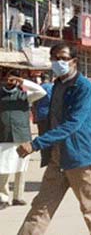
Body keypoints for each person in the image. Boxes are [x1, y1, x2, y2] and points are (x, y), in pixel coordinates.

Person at [15, 43, 91, 234]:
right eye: (55, 58)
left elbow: (72, 124)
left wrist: (35, 144)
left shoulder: (84, 88)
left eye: (64, 58)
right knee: (40, 208)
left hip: (79, 157)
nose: (59, 62)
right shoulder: (57, 85)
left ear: (74, 61)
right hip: (57, 158)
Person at [0, 70, 46, 209]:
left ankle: (18, 197)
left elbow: (41, 91)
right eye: (8, 78)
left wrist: (22, 81)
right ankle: (3, 197)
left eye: (13, 79)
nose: (10, 81)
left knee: (21, 168)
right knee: (4, 167)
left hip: (22, 135)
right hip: (4, 135)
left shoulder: (25, 96)